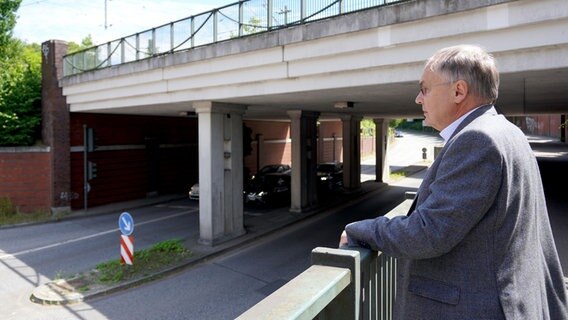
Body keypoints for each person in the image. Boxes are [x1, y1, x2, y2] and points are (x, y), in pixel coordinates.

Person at [339, 44, 568, 319]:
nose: (418, 99)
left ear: (458, 91)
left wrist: (361, 230)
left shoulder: (477, 140)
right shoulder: (508, 132)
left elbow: (429, 232)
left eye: (424, 89)